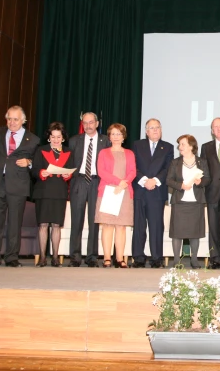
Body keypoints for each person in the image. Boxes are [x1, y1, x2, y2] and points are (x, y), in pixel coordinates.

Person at [0, 106, 40, 268]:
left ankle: (11, 257)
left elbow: (38, 162)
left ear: (23, 121)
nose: (12, 122)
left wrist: (29, 162)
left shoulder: (33, 139)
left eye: (16, 119)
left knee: (15, 222)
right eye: (9, 119)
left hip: (18, 184)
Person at [68, 112, 111, 267]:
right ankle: (75, 257)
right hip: (79, 181)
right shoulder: (74, 141)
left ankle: (92, 257)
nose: (88, 125)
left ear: (97, 123)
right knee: (76, 220)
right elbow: (69, 162)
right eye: (85, 123)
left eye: (91, 122)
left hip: (96, 182)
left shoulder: (105, 141)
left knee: (94, 221)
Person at [132, 118, 173, 268]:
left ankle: (156, 258)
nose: (156, 130)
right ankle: (138, 258)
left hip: (157, 192)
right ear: (146, 131)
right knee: (139, 226)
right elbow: (133, 165)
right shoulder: (137, 145)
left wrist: (154, 180)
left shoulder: (167, 147)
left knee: (156, 226)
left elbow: (168, 168)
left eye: (158, 127)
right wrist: (144, 180)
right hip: (140, 190)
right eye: (152, 128)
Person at [31, 122, 72, 267]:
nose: (55, 139)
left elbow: (71, 170)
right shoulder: (40, 150)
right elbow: (34, 170)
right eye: (53, 137)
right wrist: (41, 172)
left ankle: (55, 257)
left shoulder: (68, 152)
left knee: (56, 225)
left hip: (59, 192)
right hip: (43, 191)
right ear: (49, 138)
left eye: (58, 137)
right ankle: (42, 257)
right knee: (42, 225)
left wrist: (67, 175)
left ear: (63, 138)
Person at [95, 123, 137, 268]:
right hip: (108, 191)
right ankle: (107, 258)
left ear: (123, 136)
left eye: (118, 134)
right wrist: (119, 182)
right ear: (109, 136)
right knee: (107, 225)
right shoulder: (103, 152)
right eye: (113, 134)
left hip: (124, 192)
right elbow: (101, 172)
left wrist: (124, 184)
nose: (116, 136)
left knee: (121, 227)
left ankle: (120, 259)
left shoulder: (130, 153)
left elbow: (133, 171)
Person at [167, 135, 211, 269]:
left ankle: (194, 260)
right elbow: (169, 180)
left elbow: (208, 178)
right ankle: (176, 261)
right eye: (179, 145)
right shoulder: (175, 162)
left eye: (183, 144)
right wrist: (180, 185)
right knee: (177, 233)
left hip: (195, 202)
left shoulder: (201, 162)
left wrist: (200, 182)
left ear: (191, 146)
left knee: (195, 233)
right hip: (180, 202)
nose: (180, 147)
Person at [199, 117, 220, 269]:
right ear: (212, 131)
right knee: (213, 227)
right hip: (212, 192)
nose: (218, 129)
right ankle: (215, 258)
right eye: (215, 127)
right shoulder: (206, 147)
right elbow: (204, 170)